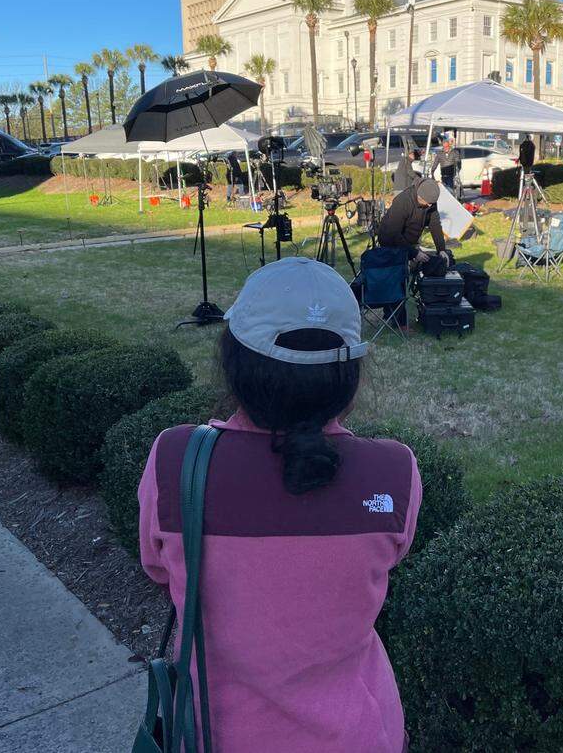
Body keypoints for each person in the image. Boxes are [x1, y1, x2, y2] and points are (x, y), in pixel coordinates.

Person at [139, 257, 422, 752]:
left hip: (216, 737)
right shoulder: (395, 473)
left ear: (234, 362)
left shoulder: (175, 461)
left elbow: (157, 567)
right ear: (350, 375)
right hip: (359, 735)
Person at [377, 177, 449, 328]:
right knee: (397, 278)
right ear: (419, 196)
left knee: (406, 275)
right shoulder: (402, 202)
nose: (430, 206)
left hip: (408, 240)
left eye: (432, 204)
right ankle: (398, 321)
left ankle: (396, 315)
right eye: (427, 203)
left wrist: (441, 249)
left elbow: (435, 224)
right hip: (390, 240)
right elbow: (393, 233)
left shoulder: (430, 199)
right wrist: (413, 253)